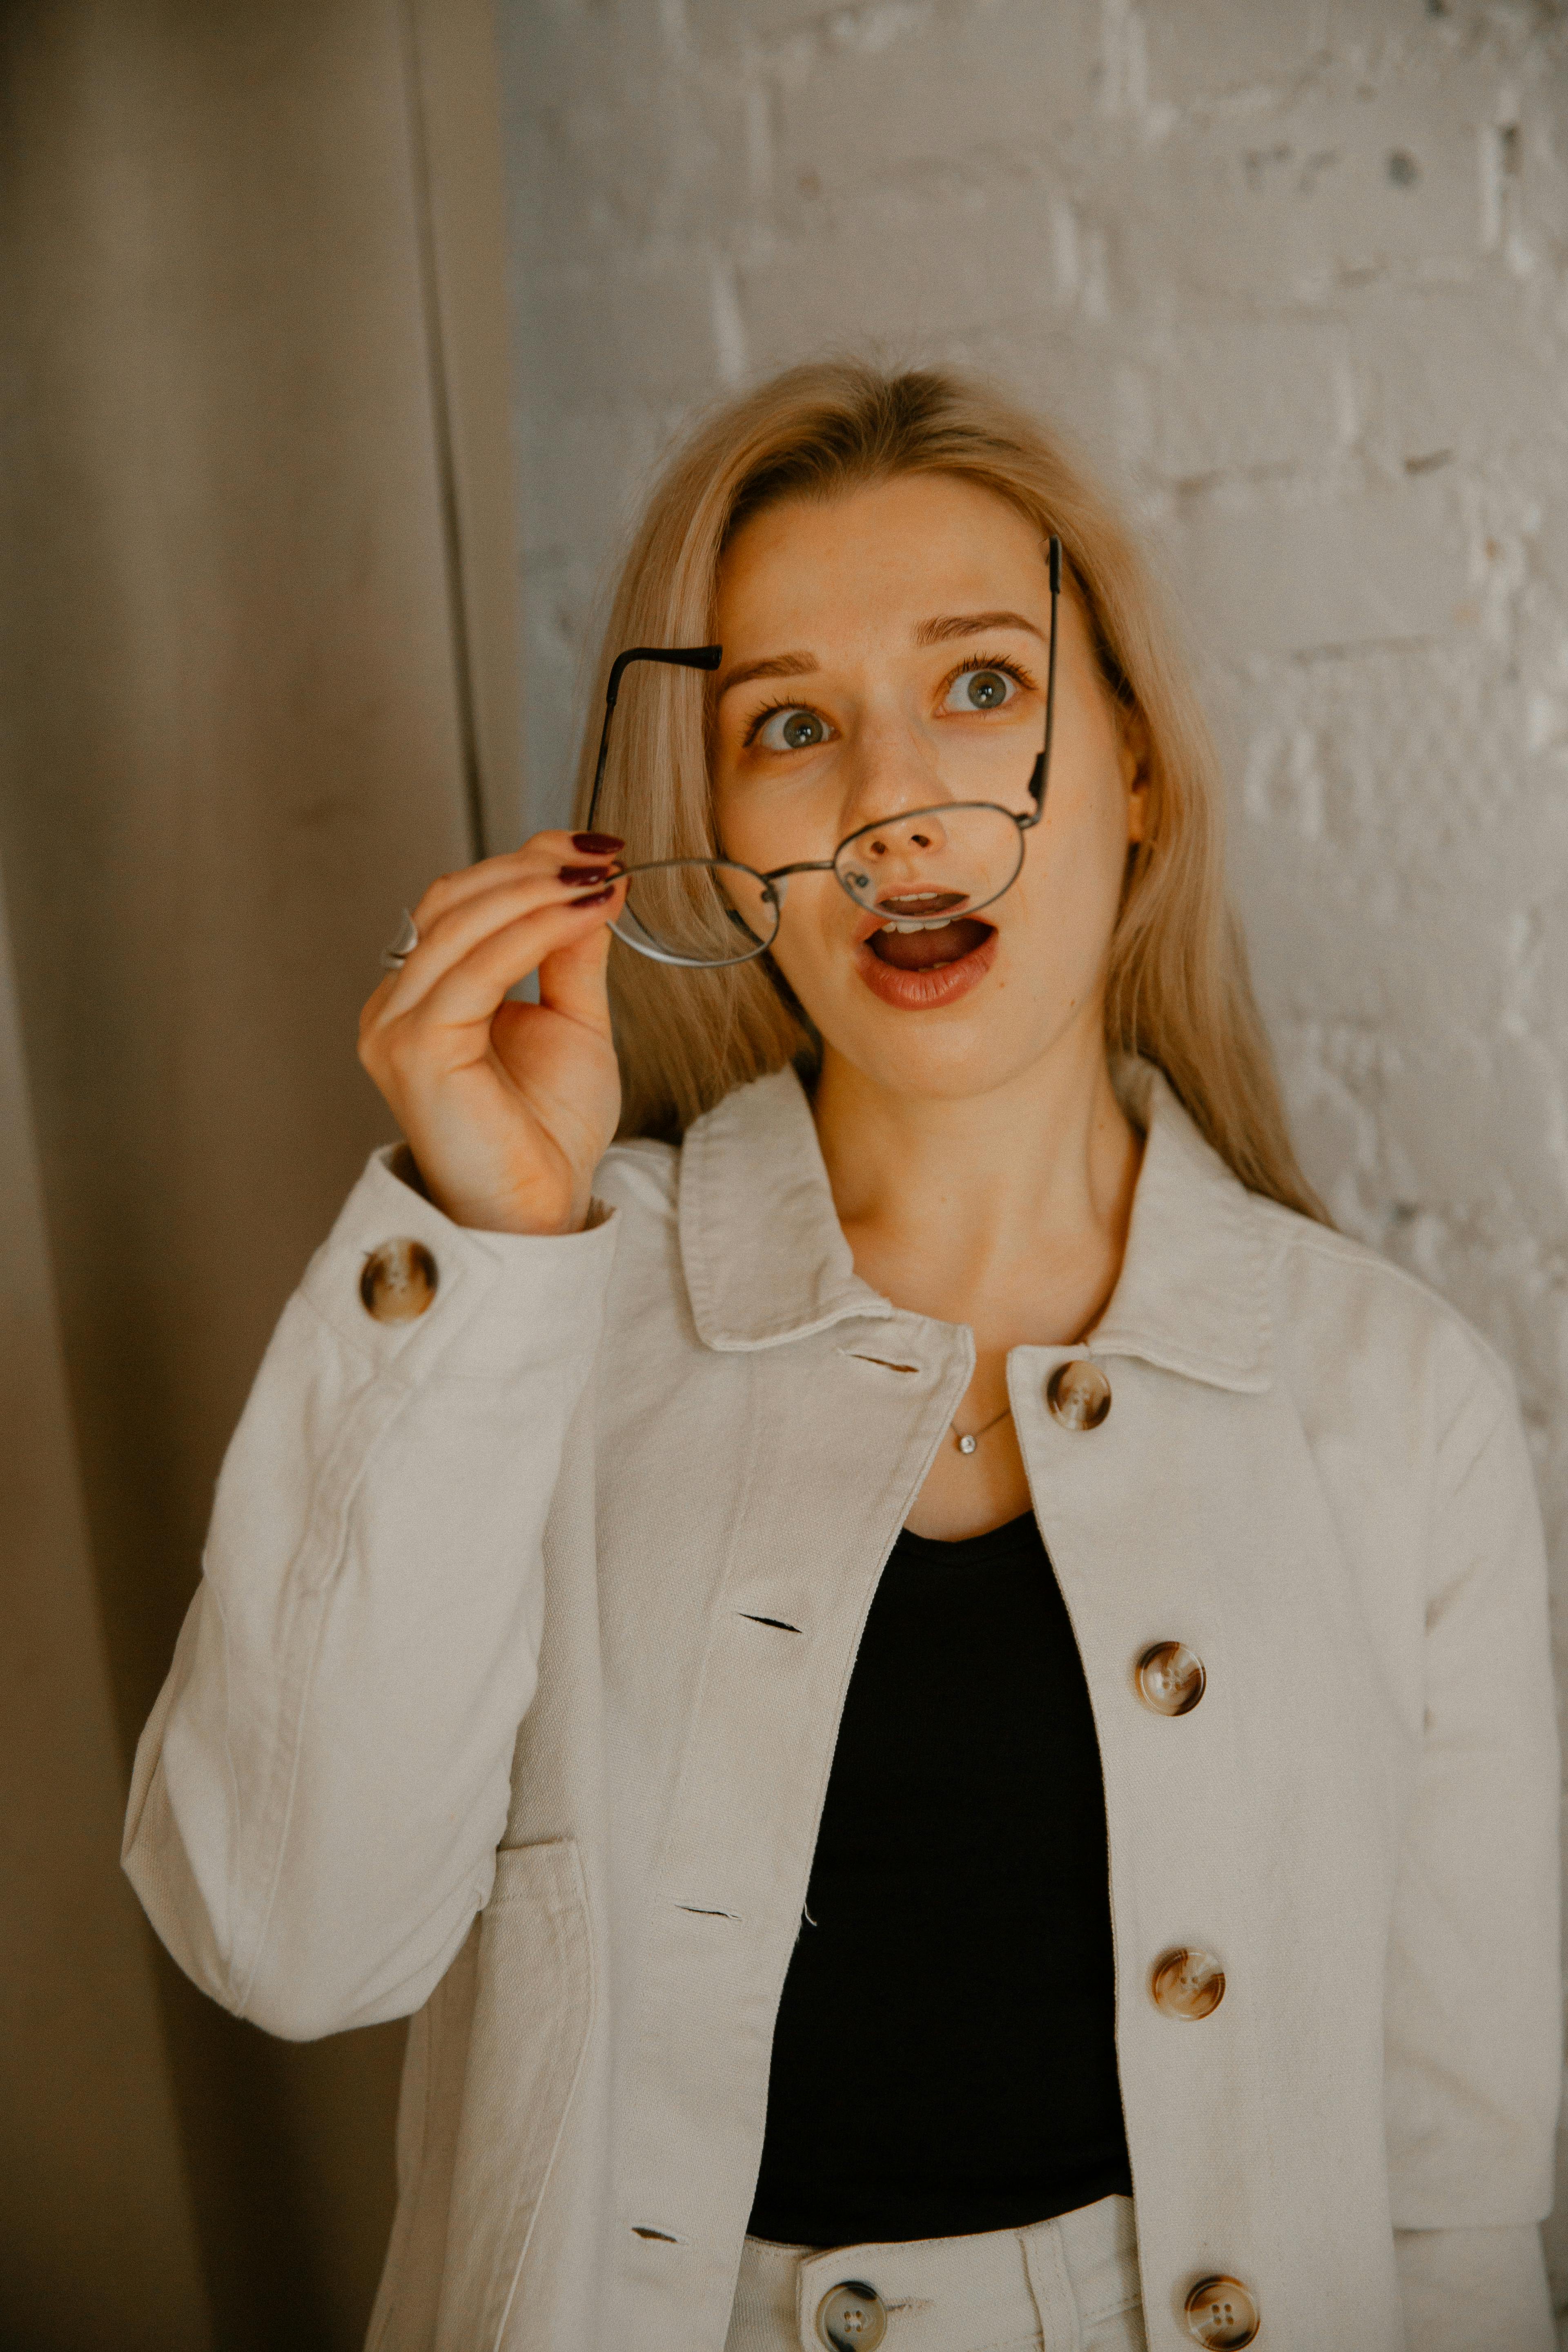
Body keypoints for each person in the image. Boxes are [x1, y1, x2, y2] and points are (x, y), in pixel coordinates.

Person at [123, 362, 1561, 2352]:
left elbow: (1465, 2218)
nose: (893, 804)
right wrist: (483, 1250)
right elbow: (286, 1938)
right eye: (791, 728)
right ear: (711, 831)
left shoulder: (1399, 1403)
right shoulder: (543, 1309)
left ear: (1134, 766)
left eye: (979, 687)